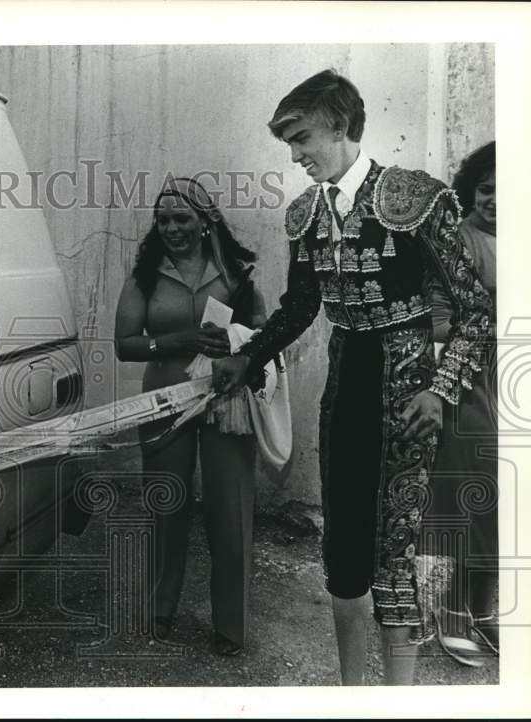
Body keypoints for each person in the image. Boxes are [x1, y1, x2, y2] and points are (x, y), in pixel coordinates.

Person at [212, 70, 493, 685]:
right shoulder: (307, 214)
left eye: (301, 137)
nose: (294, 155)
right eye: (287, 142)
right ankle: (351, 694)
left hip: (408, 387)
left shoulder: (416, 197)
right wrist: (248, 357)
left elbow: (475, 309)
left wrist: (440, 390)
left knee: (397, 546)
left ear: (339, 126)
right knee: (343, 547)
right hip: (346, 383)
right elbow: (299, 306)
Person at [114, 176, 266, 656]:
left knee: (230, 508)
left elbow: (265, 334)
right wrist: (177, 342)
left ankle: (231, 625)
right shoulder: (146, 274)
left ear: (205, 221)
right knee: (166, 504)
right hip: (164, 400)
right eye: (164, 220)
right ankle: (162, 606)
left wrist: (239, 343)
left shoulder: (236, 273)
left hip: (227, 401)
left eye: (182, 219)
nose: (172, 228)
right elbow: (125, 344)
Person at [428, 141, 498, 662]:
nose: (495, 201)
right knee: (473, 495)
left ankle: (485, 611)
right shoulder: (459, 241)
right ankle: (452, 614)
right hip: (471, 379)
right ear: (470, 191)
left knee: (513, 503)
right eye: (486, 190)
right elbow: (437, 320)